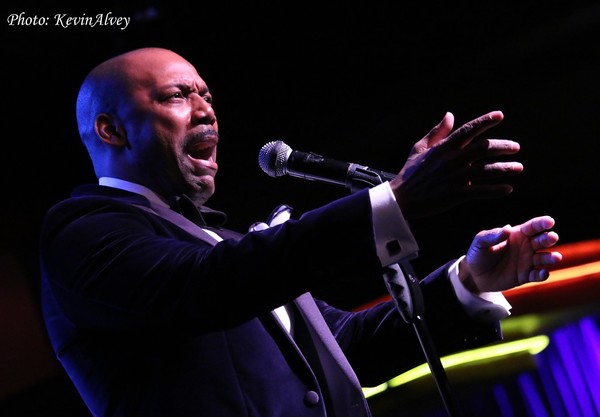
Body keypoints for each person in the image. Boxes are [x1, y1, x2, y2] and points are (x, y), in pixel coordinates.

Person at [39, 47, 562, 417]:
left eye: (208, 97)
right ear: (111, 129)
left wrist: (469, 281)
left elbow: (350, 346)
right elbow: (207, 286)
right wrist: (391, 201)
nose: (207, 113)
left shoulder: (234, 245)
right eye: (177, 96)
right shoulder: (82, 232)